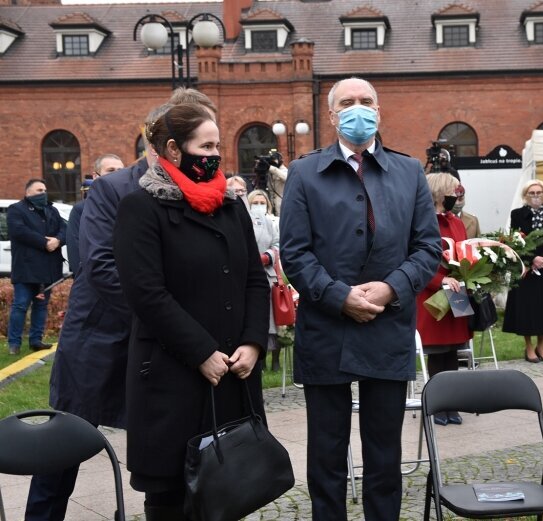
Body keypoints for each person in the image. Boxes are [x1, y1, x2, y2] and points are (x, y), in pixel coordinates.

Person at [40, 88, 218, 521]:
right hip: (101, 341)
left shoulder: (203, 196)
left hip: (166, 349)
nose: (209, 152)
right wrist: (167, 320)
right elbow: (99, 267)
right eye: (200, 140)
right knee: (62, 452)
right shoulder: (112, 190)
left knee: (168, 459)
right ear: (165, 141)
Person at [279, 76, 441, 521]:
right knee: (327, 453)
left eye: (366, 101)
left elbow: (429, 247)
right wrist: (337, 296)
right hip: (326, 328)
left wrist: (392, 287)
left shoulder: (408, 172)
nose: (357, 108)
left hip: (387, 326)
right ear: (331, 116)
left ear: (379, 111)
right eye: (346, 102)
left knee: (384, 451)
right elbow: (294, 252)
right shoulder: (305, 172)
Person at [113, 103, 269, 520]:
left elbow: (255, 278)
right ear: (173, 149)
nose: (215, 154)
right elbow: (146, 293)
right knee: (172, 499)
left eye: (218, 145)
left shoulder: (231, 207)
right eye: (206, 145)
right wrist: (201, 351)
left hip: (233, 374)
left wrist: (254, 342)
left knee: (232, 489)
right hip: (172, 376)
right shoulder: (141, 208)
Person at [415, 173, 472, 426]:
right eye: (452, 190)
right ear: (439, 192)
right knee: (437, 354)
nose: (456, 194)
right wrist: (439, 281)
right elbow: (416, 259)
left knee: (453, 352)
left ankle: (452, 403)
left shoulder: (456, 222)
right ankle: (437, 404)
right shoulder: (421, 221)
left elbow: (465, 252)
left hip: (457, 292)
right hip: (433, 296)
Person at [6, 179, 66, 356]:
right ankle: (14, 344)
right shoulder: (16, 210)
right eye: (39, 190)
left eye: (45, 190)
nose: (44, 193)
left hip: (47, 268)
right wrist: (44, 243)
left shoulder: (51, 210)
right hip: (26, 268)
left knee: (41, 305)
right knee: (20, 305)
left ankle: (36, 340)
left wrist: (57, 240)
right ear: (28, 193)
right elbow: (19, 231)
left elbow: (65, 228)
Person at [502, 179, 543, 362]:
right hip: (526, 268)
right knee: (527, 309)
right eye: (532, 193)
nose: (536, 196)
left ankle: (542, 344)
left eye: (539, 193)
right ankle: (529, 346)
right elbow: (515, 240)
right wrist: (531, 259)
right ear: (525, 196)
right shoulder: (517, 214)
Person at [66, 154, 124, 276]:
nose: (116, 175)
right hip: (93, 283)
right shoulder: (81, 209)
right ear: (95, 176)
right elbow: (76, 251)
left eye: (120, 171)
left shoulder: (130, 206)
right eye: (110, 170)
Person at [248, 188, 282, 372]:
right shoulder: (243, 219)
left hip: (268, 275)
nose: (259, 206)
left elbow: (277, 244)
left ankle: (275, 360)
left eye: (262, 203)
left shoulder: (271, 222)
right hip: (249, 274)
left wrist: (268, 256)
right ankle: (258, 361)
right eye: (256, 202)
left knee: (273, 321)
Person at [267, 151, 288, 215]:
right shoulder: (270, 172)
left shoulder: (284, 170)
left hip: (281, 202)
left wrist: (272, 169)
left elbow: (285, 178)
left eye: (274, 160)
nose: (273, 162)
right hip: (272, 202)